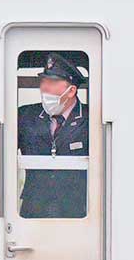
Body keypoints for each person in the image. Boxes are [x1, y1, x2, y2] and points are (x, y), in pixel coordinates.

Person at [17, 51, 89, 218]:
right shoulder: (25, 116)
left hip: (78, 213)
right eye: (43, 81)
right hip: (33, 210)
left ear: (71, 91)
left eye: (53, 82)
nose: (44, 87)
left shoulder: (90, 119)